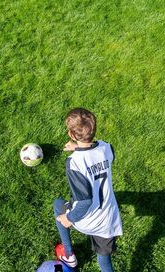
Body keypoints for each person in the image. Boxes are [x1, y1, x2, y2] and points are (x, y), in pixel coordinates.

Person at [53, 108, 122, 272]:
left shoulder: (74, 163)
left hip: (86, 219)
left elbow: (85, 201)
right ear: (94, 129)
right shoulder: (107, 148)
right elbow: (95, 154)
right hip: (108, 221)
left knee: (58, 204)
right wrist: (77, 147)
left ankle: (69, 255)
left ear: (71, 134)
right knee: (104, 261)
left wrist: (68, 218)